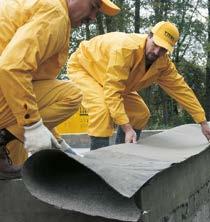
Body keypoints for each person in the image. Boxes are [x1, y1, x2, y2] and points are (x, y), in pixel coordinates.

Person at [0, 0, 121, 179]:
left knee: (17, 157)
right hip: (6, 86)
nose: (93, 17)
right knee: (71, 95)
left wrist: (60, 144)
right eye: (94, 6)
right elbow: (12, 67)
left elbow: (34, 92)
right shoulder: (55, 14)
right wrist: (32, 125)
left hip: (7, 91)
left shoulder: (41, 6)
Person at [67, 21, 210, 150]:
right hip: (85, 68)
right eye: (156, 44)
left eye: (163, 49)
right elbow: (113, 92)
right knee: (102, 110)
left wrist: (203, 122)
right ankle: (97, 167)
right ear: (149, 36)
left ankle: (122, 154)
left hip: (112, 80)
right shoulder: (125, 49)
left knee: (140, 113)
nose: (157, 51)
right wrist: (127, 128)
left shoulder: (163, 64)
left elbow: (182, 90)